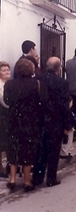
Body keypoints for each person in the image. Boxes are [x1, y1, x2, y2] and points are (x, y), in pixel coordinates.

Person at [4, 58, 48, 191]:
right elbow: (44, 102)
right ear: (32, 70)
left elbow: (6, 100)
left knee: (13, 148)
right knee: (28, 149)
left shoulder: (9, 84)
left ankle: (12, 179)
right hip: (31, 121)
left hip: (13, 120)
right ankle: (27, 181)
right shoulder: (39, 84)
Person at [33, 57, 71, 187]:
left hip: (39, 120)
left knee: (40, 150)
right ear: (58, 68)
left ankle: (37, 178)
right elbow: (64, 105)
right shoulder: (62, 82)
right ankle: (51, 178)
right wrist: (67, 124)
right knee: (54, 150)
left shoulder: (37, 80)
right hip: (56, 120)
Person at [0, 61, 11, 178]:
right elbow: (4, 102)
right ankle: (0, 168)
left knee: (8, 143)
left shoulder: (9, 83)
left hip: (8, 116)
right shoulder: (0, 85)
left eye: (8, 70)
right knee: (1, 144)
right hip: (2, 116)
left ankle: (9, 165)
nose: (7, 72)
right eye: (3, 70)